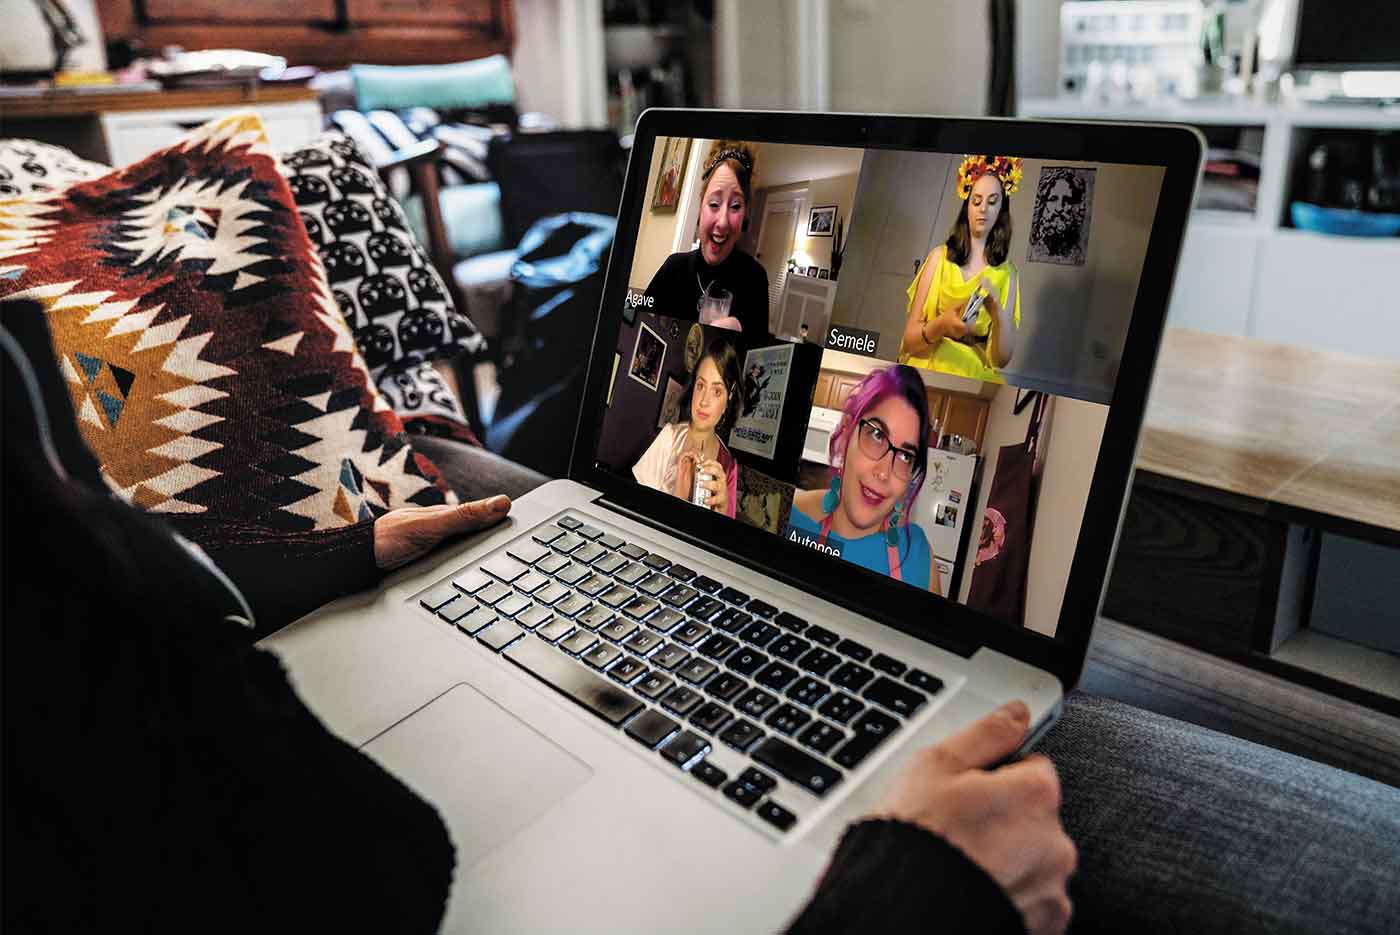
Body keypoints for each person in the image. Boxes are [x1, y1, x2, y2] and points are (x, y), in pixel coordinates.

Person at [788, 365, 941, 595]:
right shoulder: (787, 513)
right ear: (847, 432)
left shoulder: (919, 556)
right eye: (877, 434)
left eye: (904, 456)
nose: (883, 472)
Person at [899, 154, 1023, 383]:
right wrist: (941, 325)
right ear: (967, 206)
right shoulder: (938, 258)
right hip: (929, 363)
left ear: (1001, 211)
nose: (983, 209)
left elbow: (1000, 360)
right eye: (977, 201)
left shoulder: (1009, 275)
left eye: (993, 202)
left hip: (974, 373)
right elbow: (909, 339)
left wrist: (998, 313)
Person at [643, 140, 771, 340]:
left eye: (736, 206)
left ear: (745, 214)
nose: (722, 222)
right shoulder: (673, 267)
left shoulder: (755, 280)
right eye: (714, 203)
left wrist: (742, 339)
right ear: (701, 205)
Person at [632, 337, 741, 518]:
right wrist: (677, 497)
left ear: (729, 396)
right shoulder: (670, 437)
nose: (704, 401)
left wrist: (722, 513)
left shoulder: (729, 467)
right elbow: (636, 511)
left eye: (716, 391)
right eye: (700, 386)